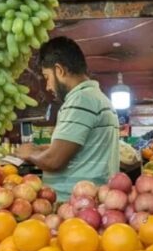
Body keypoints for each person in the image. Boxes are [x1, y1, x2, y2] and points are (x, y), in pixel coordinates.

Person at [15, 36, 120, 201]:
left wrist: (29, 154)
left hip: (73, 205)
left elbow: (54, 161)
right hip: (86, 202)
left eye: (47, 77)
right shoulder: (96, 98)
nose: (48, 87)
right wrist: (42, 149)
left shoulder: (80, 100)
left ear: (59, 70)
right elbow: (80, 149)